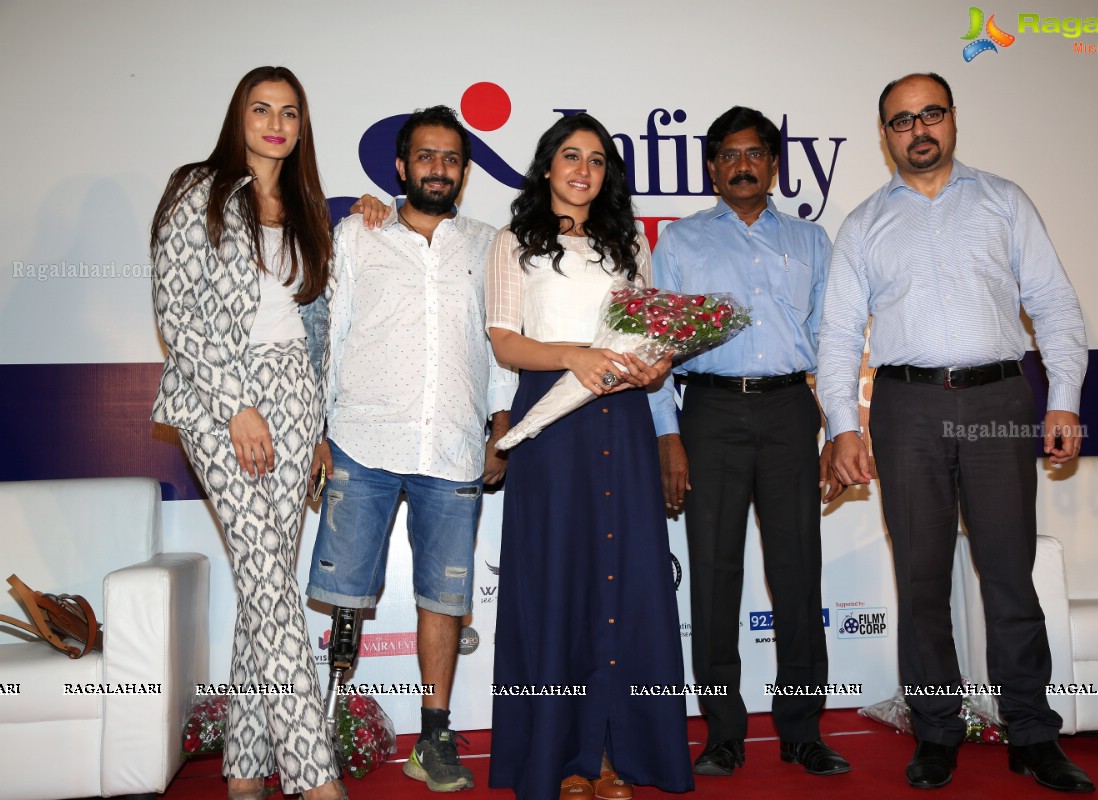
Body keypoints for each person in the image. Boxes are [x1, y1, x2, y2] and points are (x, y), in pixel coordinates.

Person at [817, 72, 1093, 793]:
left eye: (929, 114)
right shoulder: (866, 223)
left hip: (1000, 396)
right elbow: (840, 336)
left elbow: (1057, 308)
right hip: (905, 410)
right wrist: (844, 426)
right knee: (921, 580)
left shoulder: (1005, 202)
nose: (918, 130)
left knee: (1008, 573)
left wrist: (1062, 399)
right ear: (885, 136)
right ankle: (936, 732)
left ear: (953, 119)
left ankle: (1033, 734)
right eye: (902, 121)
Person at [303, 105, 516, 794]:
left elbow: (502, 342)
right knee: (345, 597)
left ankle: (434, 735)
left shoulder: (489, 244)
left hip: (453, 444)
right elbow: (328, 335)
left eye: (452, 159)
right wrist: (316, 430)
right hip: (362, 441)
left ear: (463, 171)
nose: (439, 169)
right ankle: (326, 729)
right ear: (401, 167)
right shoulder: (359, 235)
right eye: (426, 156)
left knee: (444, 599)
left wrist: (499, 423)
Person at [150, 66, 347, 800]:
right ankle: (314, 778)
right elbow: (179, 313)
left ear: (301, 126)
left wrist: (318, 420)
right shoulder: (198, 189)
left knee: (269, 587)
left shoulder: (304, 205)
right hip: (216, 395)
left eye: (289, 112)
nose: (275, 123)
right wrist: (236, 403)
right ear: (239, 117)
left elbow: (312, 323)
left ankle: (242, 776)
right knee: (267, 575)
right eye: (260, 109)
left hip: (295, 392)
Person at [486, 113, 694, 800]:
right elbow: (505, 345)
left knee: (625, 581)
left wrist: (655, 360)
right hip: (553, 423)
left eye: (598, 160)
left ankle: (614, 755)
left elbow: (645, 335)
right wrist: (574, 356)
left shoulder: (629, 243)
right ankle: (560, 759)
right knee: (558, 583)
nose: (584, 169)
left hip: (623, 419)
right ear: (548, 166)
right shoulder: (513, 243)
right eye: (570, 156)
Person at [647, 106, 849, 781]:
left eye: (755, 152)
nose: (742, 164)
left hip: (794, 410)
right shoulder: (679, 243)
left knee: (797, 574)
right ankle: (723, 733)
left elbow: (833, 345)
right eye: (729, 154)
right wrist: (668, 436)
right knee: (713, 576)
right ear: (711, 167)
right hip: (708, 412)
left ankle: (801, 728)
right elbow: (657, 348)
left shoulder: (812, 242)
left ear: (772, 163)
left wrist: (840, 428)